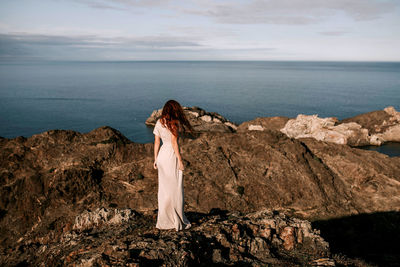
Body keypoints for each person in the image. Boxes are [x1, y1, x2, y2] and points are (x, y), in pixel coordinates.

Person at [153, 100, 193, 231]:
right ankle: (176, 218)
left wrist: (155, 159)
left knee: (164, 189)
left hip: (161, 157)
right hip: (171, 156)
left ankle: (164, 219)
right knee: (175, 188)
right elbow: (174, 143)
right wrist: (180, 160)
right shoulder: (174, 123)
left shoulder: (159, 122)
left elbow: (157, 142)